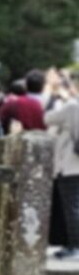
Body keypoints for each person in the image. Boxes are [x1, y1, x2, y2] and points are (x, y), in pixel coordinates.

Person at [51, 81, 79, 256]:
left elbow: (48, 119)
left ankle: (75, 246)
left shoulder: (72, 107)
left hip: (71, 165)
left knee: (73, 207)